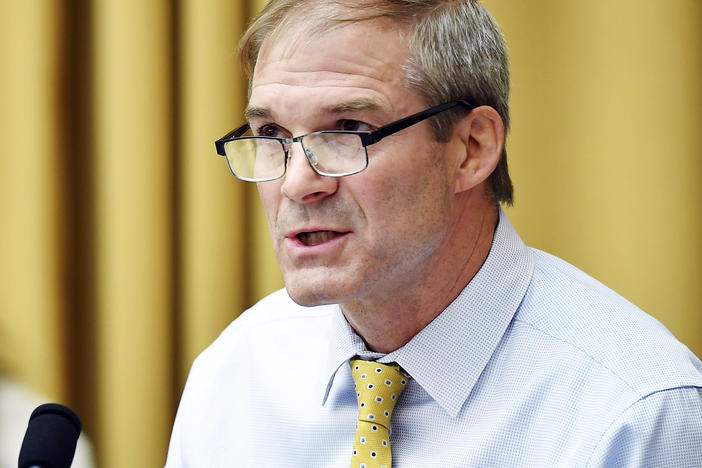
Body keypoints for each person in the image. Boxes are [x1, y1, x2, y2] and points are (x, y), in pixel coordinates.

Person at [166, 0, 702, 466]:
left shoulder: (640, 409)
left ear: (472, 148)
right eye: (271, 134)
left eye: (349, 131)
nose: (297, 182)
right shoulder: (232, 375)